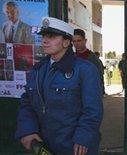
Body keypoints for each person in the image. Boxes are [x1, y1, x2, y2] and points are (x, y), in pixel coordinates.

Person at [15, 17, 102, 155]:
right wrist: (28, 130)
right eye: (43, 36)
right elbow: (27, 103)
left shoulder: (85, 70)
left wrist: (83, 137)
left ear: (66, 42)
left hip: (74, 146)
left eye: (51, 36)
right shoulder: (37, 69)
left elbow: (92, 110)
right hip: (44, 146)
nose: (44, 40)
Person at [73, 28, 106, 95]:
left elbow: (99, 79)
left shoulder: (93, 59)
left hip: (89, 94)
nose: (76, 43)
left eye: (79, 40)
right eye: (74, 41)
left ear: (85, 41)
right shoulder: (72, 57)